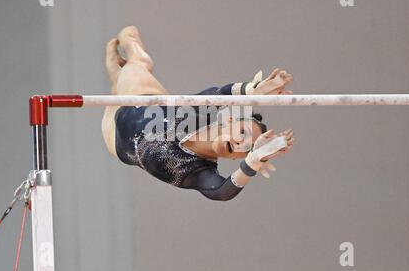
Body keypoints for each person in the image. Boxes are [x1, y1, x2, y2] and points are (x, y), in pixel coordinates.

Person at [101, 26, 294, 201]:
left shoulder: (200, 171)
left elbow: (221, 191)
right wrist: (252, 91)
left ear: (238, 157)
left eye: (247, 148)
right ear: (230, 120)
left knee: (115, 88)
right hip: (140, 97)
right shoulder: (200, 115)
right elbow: (220, 93)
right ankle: (132, 45)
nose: (241, 143)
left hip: (116, 141)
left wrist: (254, 162)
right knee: (139, 63)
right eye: (243, 132)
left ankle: (116, 76)